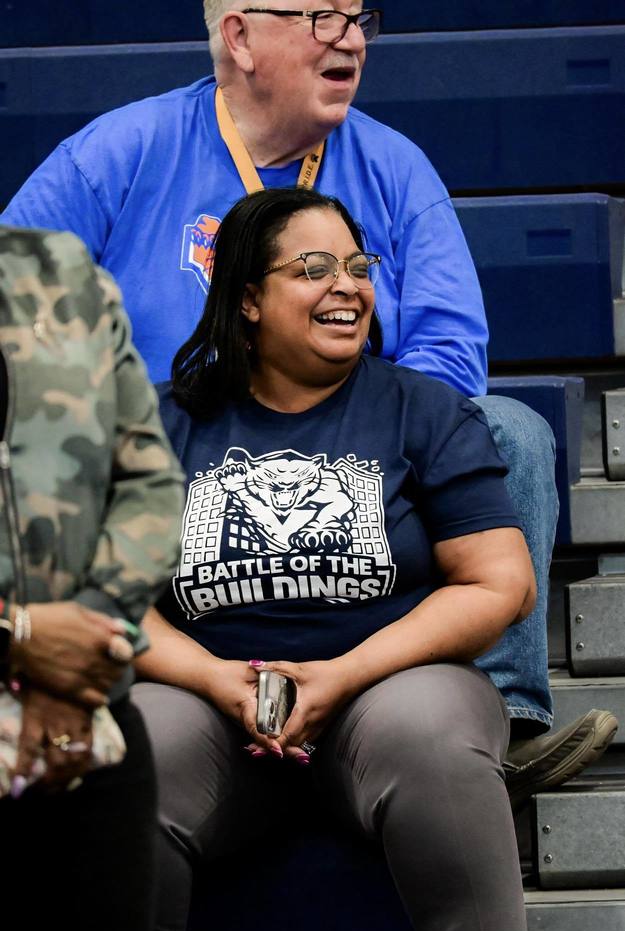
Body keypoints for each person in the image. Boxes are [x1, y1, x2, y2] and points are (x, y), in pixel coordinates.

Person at [1, 1, 616, 794]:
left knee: (511, 431)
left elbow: (449, 344)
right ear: (240, 36)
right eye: (320, 18)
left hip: (358, 447)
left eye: (359, 17)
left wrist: (353, 432)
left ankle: (497, 722)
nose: (351, 38)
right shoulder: (120, 152)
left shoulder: (393, 166)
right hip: (169, 449)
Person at [134, 186, 536, 931]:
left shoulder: (419, 409)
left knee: (431, 735)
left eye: (357, 266)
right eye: (313, 268)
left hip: (383, 692)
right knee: (127, 746)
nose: (347, 285)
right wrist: (217, 681)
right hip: (207, 703)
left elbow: (499, 579)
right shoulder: (165, 426)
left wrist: (341, 675)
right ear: (247, 297)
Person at [0, 225, 184, 931]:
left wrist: (79, 659)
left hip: (87, 733)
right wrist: (21, 641)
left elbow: (150, 483)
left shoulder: (62, 271)